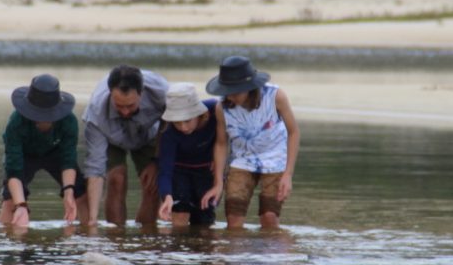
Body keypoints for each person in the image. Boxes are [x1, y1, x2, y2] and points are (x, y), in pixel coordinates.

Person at [202, 56, 300, 230]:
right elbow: (221, 144)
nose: (231, 96)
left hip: (276, 159)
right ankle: (238, 256)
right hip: (241, 161)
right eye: (227, 91)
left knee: (269, 218)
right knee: (233, 220)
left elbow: (293, 132)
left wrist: (288, 174)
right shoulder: (221, 108)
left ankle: (272, 256)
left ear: (250, 87)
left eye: (236, 91)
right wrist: (218, 183)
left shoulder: (276, 96)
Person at [81, 65, 168, 226]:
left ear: (141, 93)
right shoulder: (96, 111)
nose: (126, 112)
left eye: (131, 106)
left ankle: (146, 240)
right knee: (117, 180)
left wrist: (158, 161)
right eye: (119, 106)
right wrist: (92, 219)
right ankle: (116, 239)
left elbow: (171, 126)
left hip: (148, 135)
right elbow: (95, 167)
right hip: (111, 137)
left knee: (152, 184)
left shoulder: (162, 92)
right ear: (110, 93)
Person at [0, 73, 87, 227]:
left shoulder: (69, 121)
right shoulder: (16, 123)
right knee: (11, 201)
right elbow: (14, 170)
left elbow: (68, 160)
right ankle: (6, 242)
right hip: (25, 156)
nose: (42, 119)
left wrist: (68, 191)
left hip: (55, 153)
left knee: (80, 193)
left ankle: (86, 238)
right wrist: (21, 206)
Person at [156, 82, 218, 227]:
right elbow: (165, 171)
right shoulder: (169, 133)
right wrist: (167, 196)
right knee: (180, 210)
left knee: (204, 220)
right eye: (177, 123)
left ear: (199, 114)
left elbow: (228, 140)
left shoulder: (215, 110)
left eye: (187, 121)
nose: (183, 128)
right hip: (179, 171)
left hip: (206, 171)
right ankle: (178, 247)